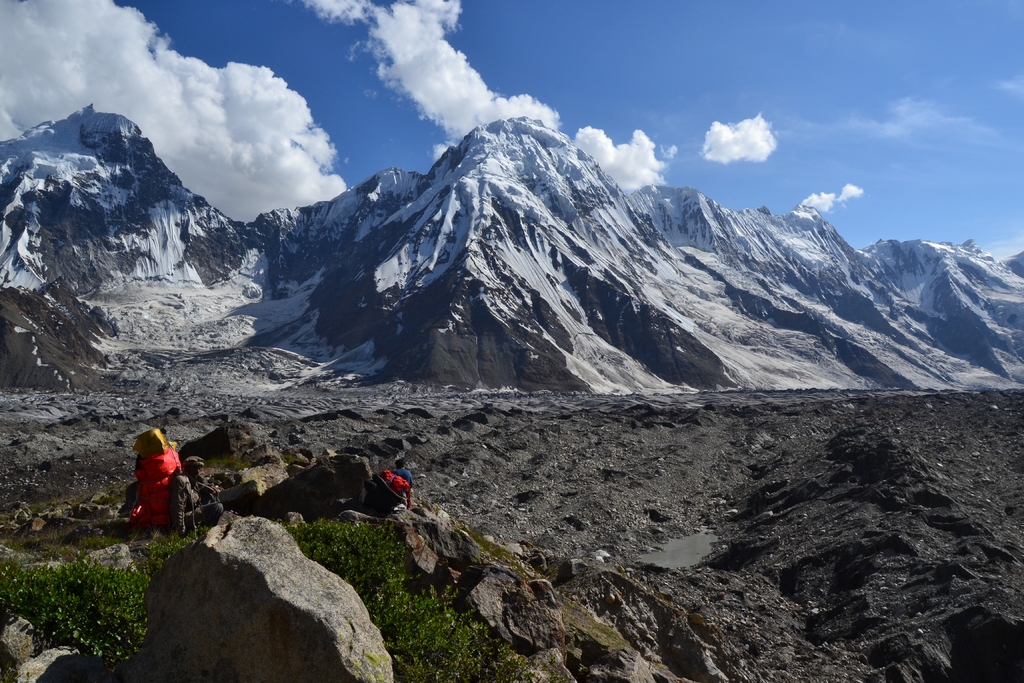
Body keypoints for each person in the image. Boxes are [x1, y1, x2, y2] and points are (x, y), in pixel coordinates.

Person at [127, 428, 181, 530]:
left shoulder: (148, 463)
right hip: (173, 506)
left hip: (154, 510)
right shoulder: (173, 455)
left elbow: (140, 475)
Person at [169, 456, 224, 535]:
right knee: (218, 507)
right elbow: (177, 508)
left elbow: (202, 487)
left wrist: (209, 489)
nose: (198, 471)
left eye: (199, 468)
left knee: (209, 496)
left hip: (194, 509)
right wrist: (181, 531)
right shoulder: (181, 481)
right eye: (195, 468)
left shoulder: (194, 478)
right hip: (186, 517)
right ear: (187, 468)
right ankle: (205, 533)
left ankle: (204, 527)